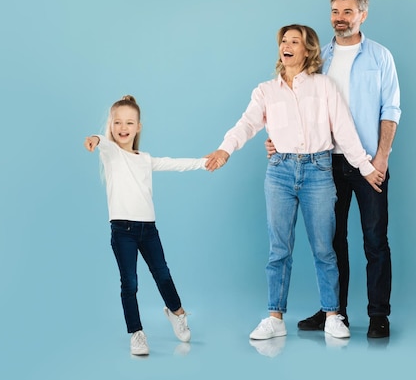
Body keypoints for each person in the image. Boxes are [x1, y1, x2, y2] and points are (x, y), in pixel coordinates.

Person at [205, 24, 384, 341]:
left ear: (308, 50)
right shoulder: (266, 91)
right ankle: (274, 317)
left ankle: (332, 315)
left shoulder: (324, 86)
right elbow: (247, 123)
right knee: (278, 250)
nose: (286, 46)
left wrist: (366, 167)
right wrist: (225, 149)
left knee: (324, 248)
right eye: (283, 41)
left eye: (294, 41)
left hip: (318, 170)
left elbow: (344, 131)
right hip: (280, 171)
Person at [267, 0, 401, 338]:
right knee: (331, 240)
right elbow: (298, 106)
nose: (340, 19)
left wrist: (381, 159)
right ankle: (334, 313)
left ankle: (378, 315)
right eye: (335, 12)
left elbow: (391, 110)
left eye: (347, 12)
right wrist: (278, 139)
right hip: (324, 164)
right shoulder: (319, 58)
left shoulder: (380, 57)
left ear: (362, 15)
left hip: (370, 164)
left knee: (375, 240)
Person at [84, 95, 212, 356]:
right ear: (110, 125)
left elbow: (175, 164)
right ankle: (137, 334)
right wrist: (94, 140)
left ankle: (177, 313)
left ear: (138, 127)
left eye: (129, 122)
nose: (123, 127)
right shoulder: (110, 152)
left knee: (162, 273)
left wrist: (203, 162)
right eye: (117, 122)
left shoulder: (145, 158)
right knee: (129, 282)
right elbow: (100, 142)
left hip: (148, 230)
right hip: (122, 231)